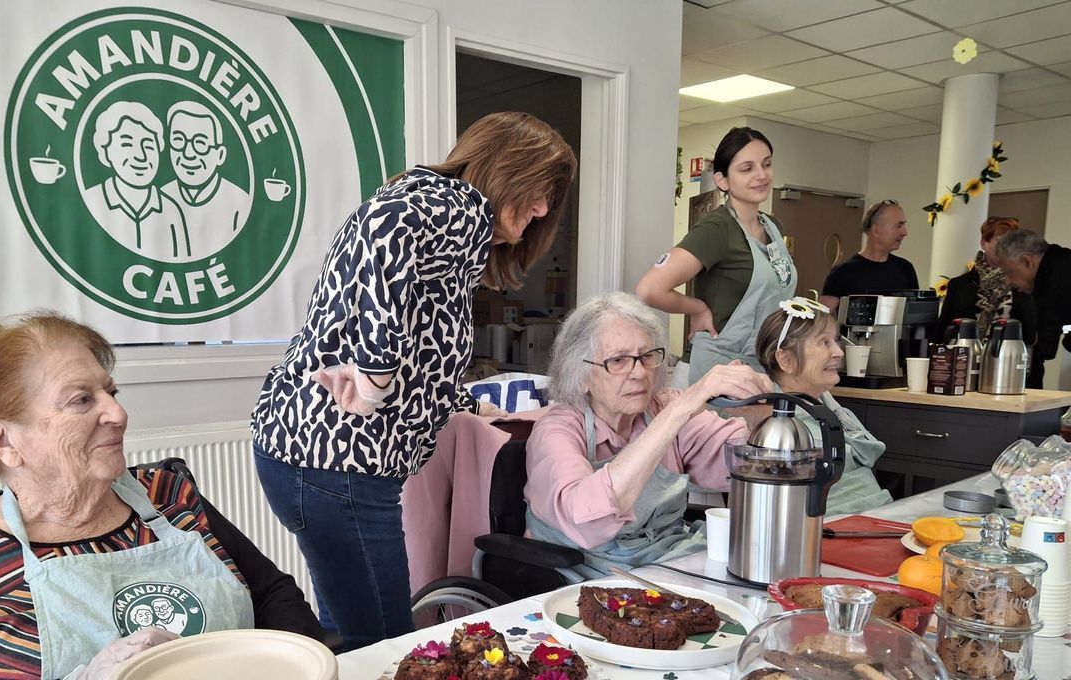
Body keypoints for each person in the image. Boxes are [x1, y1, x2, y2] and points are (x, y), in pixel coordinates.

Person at [250, 111, 577, 650]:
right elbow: (387, 231)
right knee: (386, 644)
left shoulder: (450, 223)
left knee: (348, 632)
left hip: (309, 457)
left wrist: (463, 405)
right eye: (541, 190)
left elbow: (423, 343)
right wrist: (375, 371)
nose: (543, 209)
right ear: (508, 169)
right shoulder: (460, 206)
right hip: (340, 464)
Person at [0, 313, 323, 679]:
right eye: (81, 400)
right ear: (3, 439)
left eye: (110, 392)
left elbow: (273, 594)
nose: (118, 413)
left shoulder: (169, 497)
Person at [523, 292, 769, 574]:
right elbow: (587, 523)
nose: (640, 372)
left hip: (668, 560)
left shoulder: (662, 406)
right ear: (581, 376)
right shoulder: (556, 430)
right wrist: (678, 412)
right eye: (618, 361)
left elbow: (748, 466)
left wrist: (758, 417)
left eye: (647, 356)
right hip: (583, 574)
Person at [636, 127, 796, 385]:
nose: (761, 175)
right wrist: (697, 308)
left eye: (766, 164)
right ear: (722, 180)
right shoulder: (717, 229)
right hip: (712, 371)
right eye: (747, 168)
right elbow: (649, 289)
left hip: (758, 368)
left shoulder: (773, 227)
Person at [753, 298, 893, 512]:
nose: (839, 352)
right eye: (824, 342)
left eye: (835, 341)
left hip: (874, 519)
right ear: (786, 360)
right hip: (824, 531)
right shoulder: (779, 430)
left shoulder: (824, 403)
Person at [937, 217, 1041, 385]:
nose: (1005, 249)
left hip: (1016, 370)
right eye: (1000, 241)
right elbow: (944, 328)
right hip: (965, 369)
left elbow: (1044, 323)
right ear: (984, 242)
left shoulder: (1026, 282)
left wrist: (1041, 350)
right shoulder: (961, 284)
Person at [83, 101, 191, 261]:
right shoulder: (90, 203)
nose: (140, 156)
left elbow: (183, 265)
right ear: (105, 153)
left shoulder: (171, 209)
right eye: (127, 144)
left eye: (148, 145)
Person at [161, 100, 252, 255]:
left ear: (220, 154)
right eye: (178, 140)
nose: (188, 153)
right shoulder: (161, 199)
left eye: (200, 143)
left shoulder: (240, 204)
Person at [994, 229, 1071, 389]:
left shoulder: (1058, 283)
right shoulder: (1058, 269)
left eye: (1009, 272)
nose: (1008, 281)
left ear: (1027, 261)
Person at [819, 199, 918, 313]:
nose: (904, 232)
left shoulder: (905, 269)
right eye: (898, 226)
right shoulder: (842, 273)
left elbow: (915, 314)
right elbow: (821, 321)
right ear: (876, 229)